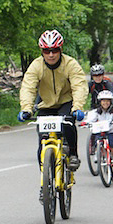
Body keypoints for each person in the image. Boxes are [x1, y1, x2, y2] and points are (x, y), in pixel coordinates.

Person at [18, 29, 88, 174]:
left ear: (60, 49)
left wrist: (78, 107)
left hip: (66, 102)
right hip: (46, 104)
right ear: (42, 51)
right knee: (42, 141)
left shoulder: (70, 64)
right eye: (47, 51)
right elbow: (28, 87)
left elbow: (79, 85)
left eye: (54, 50)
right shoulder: (36, 66)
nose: (51, 54)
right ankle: (45, 183)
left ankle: (73, 154)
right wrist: (26, 108)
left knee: (68, 124)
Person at [84, 90, 113, 172]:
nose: (106, 103)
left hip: (110, 131)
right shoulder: (95, 112)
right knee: (97, 141)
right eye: (103, 101)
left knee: (112, 145)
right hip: (99, 131)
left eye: (108, 101)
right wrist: (85, 123)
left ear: (111, 102)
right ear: (100, 102)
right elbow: (90, 120)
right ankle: (98, 154)